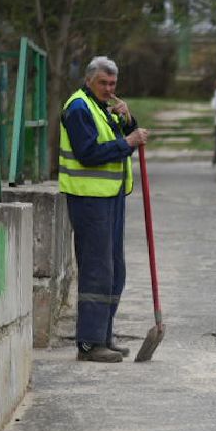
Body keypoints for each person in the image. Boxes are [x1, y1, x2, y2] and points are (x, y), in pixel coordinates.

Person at [59, 55, 149, 362]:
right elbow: (88, 153)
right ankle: (89, 343)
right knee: (97, 270)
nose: (109, 89)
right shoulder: (78, 108)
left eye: (112, 83)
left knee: (114, 269)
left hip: (110, 197)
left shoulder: (101, 107)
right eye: (103, 83)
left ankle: (104, 336)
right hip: (88, 200)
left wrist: (128, 121)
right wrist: (129, 141)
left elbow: (118, 140)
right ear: (89, 80)